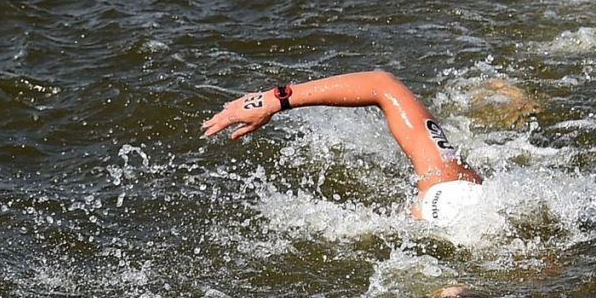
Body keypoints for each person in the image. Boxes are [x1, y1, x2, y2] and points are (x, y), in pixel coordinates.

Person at [202, 70, 487, 225]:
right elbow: (382, 84)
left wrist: (276, 99)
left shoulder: (443, 179)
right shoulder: (445, 175)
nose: (411, 205)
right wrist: (277, 99)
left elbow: (382, 83)